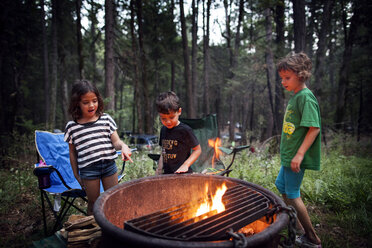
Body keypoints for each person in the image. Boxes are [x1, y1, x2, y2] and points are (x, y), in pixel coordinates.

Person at [64, 80, 133, 215]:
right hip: (89, 170)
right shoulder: (72, 127)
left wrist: (124, 146)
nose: (91, 105)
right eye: (86, 102)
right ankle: (93, 231)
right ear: (77, 103)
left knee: (112, 199)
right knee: (94, 203)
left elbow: (116, 142)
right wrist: (76, 174)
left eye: (94, 101)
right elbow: (72, 153)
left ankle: (114, 228)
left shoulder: (105, 119)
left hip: (109, 166)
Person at [275, 52, 322, 248]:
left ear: (300, 75)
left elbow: (314, 128)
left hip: (296, 157)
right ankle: (296, 224)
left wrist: (300, 154)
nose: (283, 82)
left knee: (292, 193)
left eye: (287, 78)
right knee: (281, 185)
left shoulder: (305, 97)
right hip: (288, 156)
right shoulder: (295, 96)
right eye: (282, 78)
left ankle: (312, 238)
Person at [155, 91, 201, 175]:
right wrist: (159, 169)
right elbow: (163, 151)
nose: (168, 122)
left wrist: (186, 165)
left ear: (179, 111)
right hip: (167, 174)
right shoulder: (163, 130)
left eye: (171, 117)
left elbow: (197, 150)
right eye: (163, 118)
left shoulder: (185, 130)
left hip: (183, 174)